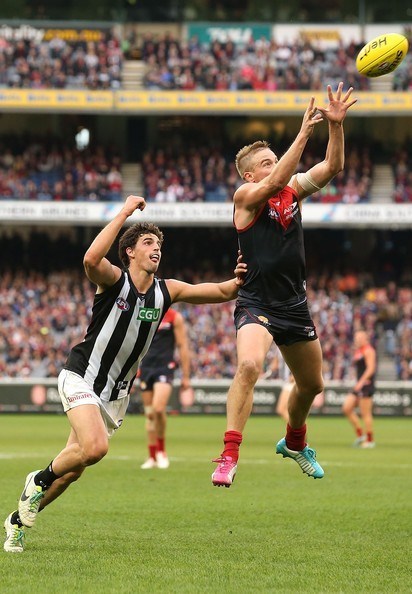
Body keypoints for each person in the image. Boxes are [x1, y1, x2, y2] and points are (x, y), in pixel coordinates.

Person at [3, 195, 247, 553]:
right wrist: (124, 213)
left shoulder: (168, 291)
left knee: (74, 468)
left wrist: (241, 277)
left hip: (115, 395)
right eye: (148, 243)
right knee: (95, 448)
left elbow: (222, 291)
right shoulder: (114, 281)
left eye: (159, 244)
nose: (156, 249)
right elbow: (90, 259)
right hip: (82, 376)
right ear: (129, 252)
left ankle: (17, 521)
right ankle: (37, 479)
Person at [212, 82, 357, 487]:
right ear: (249, 173)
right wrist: (304, 132)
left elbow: (332, 168)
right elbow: (276, 181)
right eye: (267, 161)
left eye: (276, 159)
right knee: (249, 365)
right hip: (257, 302)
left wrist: (335, 127)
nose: (276, 164)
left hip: (294, 304)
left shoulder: (291, 192)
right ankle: (228, 455)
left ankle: (295, 441)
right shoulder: (245, 195)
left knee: (312, 384)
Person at [139, 307, 191, 469]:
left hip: (164, 367)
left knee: (158, 409)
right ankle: (152, 456)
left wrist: (186, 376)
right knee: (149, 415)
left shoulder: (174, 317)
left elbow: (182, 346)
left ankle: (161, 451)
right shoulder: (143, 312)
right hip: (146, 367)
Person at [342, 330, 377, 448]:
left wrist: (361, 382)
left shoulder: (368, 350)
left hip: (366, 385)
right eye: (356, 337)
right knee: (347, 408)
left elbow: (371, 368)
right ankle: (360, 434)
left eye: (359, 337)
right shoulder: (359, 351)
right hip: (359, 384)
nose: (356, 339)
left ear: (365, 338)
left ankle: (370, 440)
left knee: (365, 413)